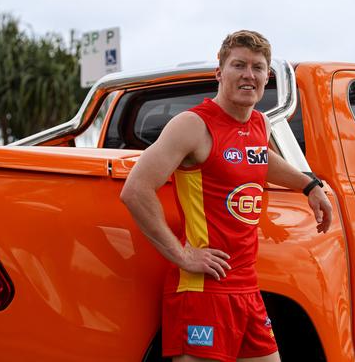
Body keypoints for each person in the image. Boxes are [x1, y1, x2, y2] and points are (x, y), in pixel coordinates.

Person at [120, 30, 332, 362]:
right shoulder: (193, 125)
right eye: (239, 65)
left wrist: (308, 185)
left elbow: (260, 157)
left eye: (258, 68)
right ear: (220, 72)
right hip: (204, 289)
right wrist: (181, 255)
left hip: (248, 289)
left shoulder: (259, 123)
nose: (249, 75)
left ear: (266, 77)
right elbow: (135, 190)